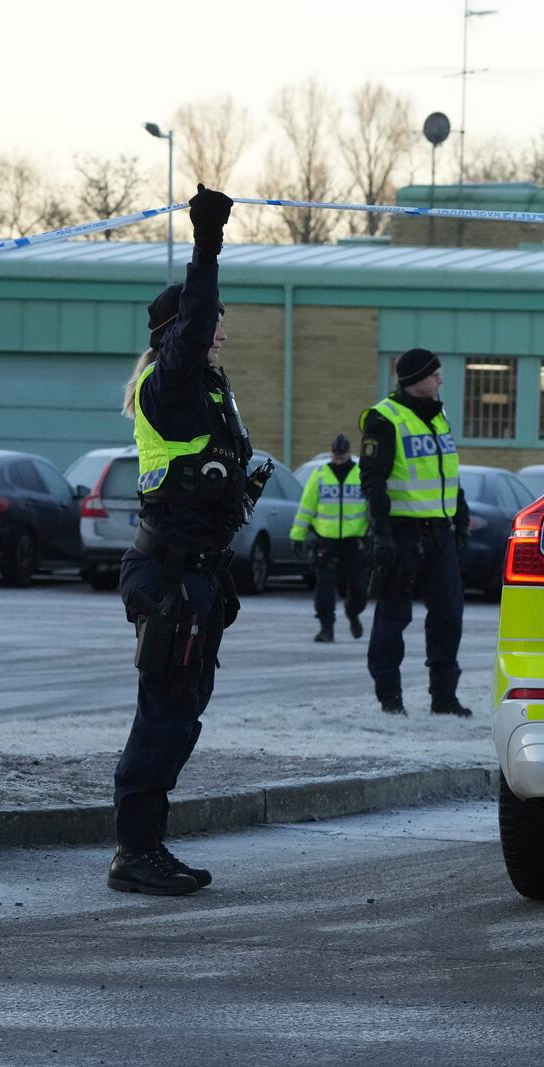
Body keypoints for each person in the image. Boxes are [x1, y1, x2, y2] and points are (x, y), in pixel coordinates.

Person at [111, 185, 267, 896]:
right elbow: (196, 316)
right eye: (210, 326)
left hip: (197, 575)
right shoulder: (167, 386)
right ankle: (135, 851)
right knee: (163, 715)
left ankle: (150, 843)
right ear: (180, 332)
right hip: (167, 575)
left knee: (182, 715)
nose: (220, 334)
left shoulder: (203, 388)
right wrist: (207, 244)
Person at [359, 347, 473, 718]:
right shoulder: (384, 418)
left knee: (448, 616)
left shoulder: (439, 417)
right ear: (415, 379)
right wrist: (381, 534)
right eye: (435, 373)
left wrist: (460, 520)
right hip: (403, 534)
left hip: (439, 533)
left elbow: (450, 476)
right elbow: (373, 482)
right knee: (393, 616)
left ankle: (444, 697)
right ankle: (390, 698)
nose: (441, 379)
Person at [291, 434, 370, 642]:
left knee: (360, 587)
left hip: (354, 541)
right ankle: (327, 628)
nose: (338, 460)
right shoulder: (320, 475)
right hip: (326, 540)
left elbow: (372, 508)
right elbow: (306, 508)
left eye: (342, 457)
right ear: (331, 453)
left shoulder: (361, 474)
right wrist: (297, 536)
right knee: (325, 586)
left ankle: (353, 613)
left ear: (348, 453)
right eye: (336, 456)